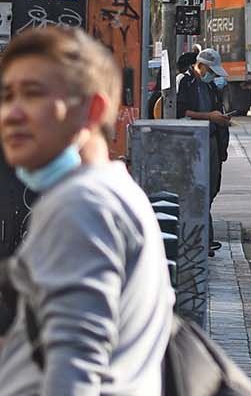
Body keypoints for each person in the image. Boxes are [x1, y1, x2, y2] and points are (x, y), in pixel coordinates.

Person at [0, 24, 172, 396]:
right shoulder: (113, 192)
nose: (11, 113)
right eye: (7, 95)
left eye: (32, 94)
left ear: (92, 109)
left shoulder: (82, 205)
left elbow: (74, 372)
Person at [177, 47, 231, 255]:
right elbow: (179, 111)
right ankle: (200, 240)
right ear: (199, 65)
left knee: (210, 191)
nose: (213, 76)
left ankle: (204, 239)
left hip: (212, 143)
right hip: (193, 146)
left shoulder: (210, 87)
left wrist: (220, 121)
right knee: (197, 193)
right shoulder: (184, 82)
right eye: (210, 70)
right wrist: (209, 116)